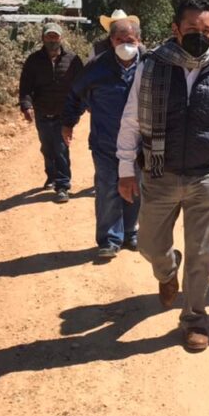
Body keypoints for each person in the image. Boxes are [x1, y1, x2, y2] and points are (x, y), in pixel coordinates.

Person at [116, 0, 209, 353]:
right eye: (193, 30)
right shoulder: (151, 67)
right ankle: (166, 270)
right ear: (176, 30)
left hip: (206, 177)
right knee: (149, 245)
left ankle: (194, 318)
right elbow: (131, 120)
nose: (200, 36)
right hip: (160, 174)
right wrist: (126, 169)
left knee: (202, 254)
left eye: (206, 31)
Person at [62, 14, 143, 259]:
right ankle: (109, 238)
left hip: (140, 144)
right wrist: (68, 123)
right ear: (111, 41)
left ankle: (130, 232)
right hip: (105, 142)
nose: (125, 44)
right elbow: (75, 95)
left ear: (139, 40)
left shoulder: (149, 65)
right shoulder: (97, 68)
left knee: (135, 188)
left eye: (130, 39)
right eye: (119, 39)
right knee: (108, 188)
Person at [18, 22, 84, 203]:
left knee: (61, 148)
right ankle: (51, 175)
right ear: (43, 38)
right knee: (47, 148)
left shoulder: (72, 59)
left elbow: (81, 86)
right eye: (49, 36)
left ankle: (63, 186)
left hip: (64, 113)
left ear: (61, 38)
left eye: (55, 36)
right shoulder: (33, 60)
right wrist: (26, 105)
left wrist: (78, 109)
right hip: (42, 111)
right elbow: (25, 86)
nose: (52, 40)